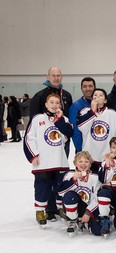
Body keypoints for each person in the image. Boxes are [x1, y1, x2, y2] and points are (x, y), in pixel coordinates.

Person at [23, 93, 73, 226]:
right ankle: (40, 210)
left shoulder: (64, 119)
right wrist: (33, 155)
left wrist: (59, 119)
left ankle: (60, 207)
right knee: (42, 187)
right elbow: (29, 138)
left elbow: (68, 133)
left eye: (57, 103)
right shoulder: (37, 118)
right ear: (46, 104)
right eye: (52, 102)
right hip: (43, 162)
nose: (54, 105)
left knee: (60, 187)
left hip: (60, 161)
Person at [77, 88, 116, 173]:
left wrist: (114, 150)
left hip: (106, 156)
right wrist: (92, 111)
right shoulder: (85, 112)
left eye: (101, 95)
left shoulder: (112, 113)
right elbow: (81, 127)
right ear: (91, 99)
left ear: (105, 100)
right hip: (89, 156)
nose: (97, 97)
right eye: (95, 95)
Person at [57, 151, 102, 236]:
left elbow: (97, 197)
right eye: (80, 161)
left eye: (86, 161)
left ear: (90, 164)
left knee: (97, 230)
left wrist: (88, 213)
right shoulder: (69, 175)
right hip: (74, 205)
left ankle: (84, 223)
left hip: (88, 208)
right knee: (70, 196)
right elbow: (60, 192)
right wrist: (74, 179)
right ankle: (73, 220)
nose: (83, 164)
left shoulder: (95, 177)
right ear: (75, 163)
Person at [69, 77, 96, 153]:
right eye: (85, 86)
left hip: (98, 149)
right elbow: (75, 129)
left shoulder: (101, 104)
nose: (88, 89)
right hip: (84, 149)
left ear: (94, 87)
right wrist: (80, 149)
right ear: (81, 88)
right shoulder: (76, 106)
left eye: (90, 86)